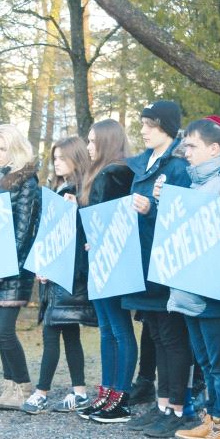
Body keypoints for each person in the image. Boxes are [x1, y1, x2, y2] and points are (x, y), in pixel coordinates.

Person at [170, 118, 220, 439]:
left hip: (213, 292)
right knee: (205, 361)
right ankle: (213, 418)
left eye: (192, 146)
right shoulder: (195, 185)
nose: (185, 152)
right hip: (188, 290)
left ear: (214, 149)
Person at [123, 101, 195, 437]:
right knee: (155, 333)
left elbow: (182, 215)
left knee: (171, 337)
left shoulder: (178, 166)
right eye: (143, 124)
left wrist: (152, 208)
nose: (144, 130)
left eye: (150, 124)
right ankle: (162, 403)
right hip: (141, 259)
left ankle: (177, 407)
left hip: (163, 261)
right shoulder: (144, 164)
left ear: (166, 126)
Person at [22, 136, 97, 414]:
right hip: (53, 275)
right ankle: (79, 391)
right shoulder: (58, 190)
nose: (57, 162)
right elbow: (48, 236)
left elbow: (79, 237)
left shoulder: (81, 192)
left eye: (63, 158)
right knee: (66, 332)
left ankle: (42, 392)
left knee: (54, 332)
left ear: (76, 159)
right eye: (55, 158)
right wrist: (42, 264)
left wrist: (77, 205)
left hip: (69, 276)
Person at [70, 119, 137, 423]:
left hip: (113, 261)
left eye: (93, 141)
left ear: (108, 143)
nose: (88, 146)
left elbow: (115, 219)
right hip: (99, 260)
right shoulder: (98, 174)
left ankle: (120, 397)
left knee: (119, 329)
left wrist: (99, 241)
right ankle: (107, 392)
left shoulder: (115, 174)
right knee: (108, 329)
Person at [0, 124, 41, 411]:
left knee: (5, 329)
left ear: (15, 150)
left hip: (12, 268)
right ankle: (9, 385)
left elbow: (23, 230)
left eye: (3, 148)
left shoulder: (25, 182)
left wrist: (4, 264)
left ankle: (23, 384)